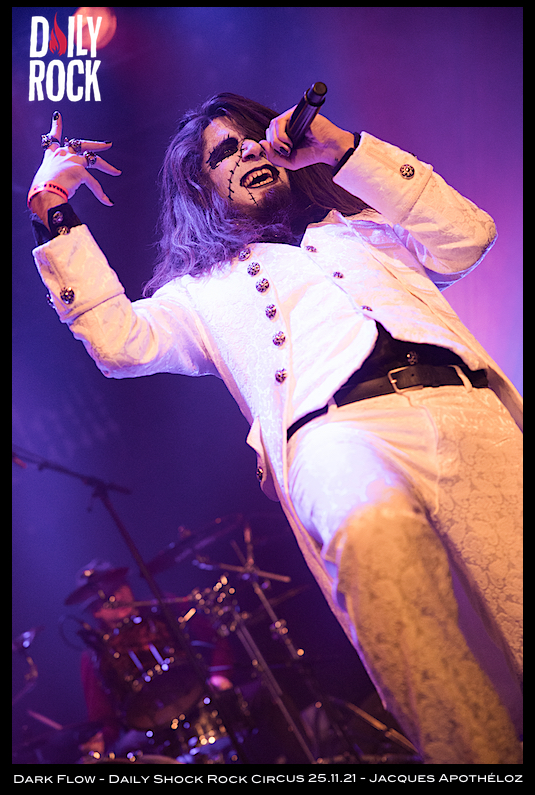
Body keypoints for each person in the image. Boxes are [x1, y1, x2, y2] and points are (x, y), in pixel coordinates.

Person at [28, 93, 522, 764]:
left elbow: (468, 236)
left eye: (255, 137)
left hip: (465, 407)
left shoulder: (364, 226)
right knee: (370, 534)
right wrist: (53, 207)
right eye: (224, 152)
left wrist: (340, 147)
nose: (248, 152)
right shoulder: (201, 291)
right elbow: (119, 342)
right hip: (334, 431)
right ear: (201, 187)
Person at [65, 560, 234, 761]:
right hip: (151, 730)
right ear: (95, 611)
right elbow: (103, 717)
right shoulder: (94, 655)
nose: (117, 598)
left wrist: (220, 676)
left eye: (118, 588)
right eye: (106, 597)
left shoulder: (162, 608)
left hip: (200, 701)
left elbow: (216, 636)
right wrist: (101, 740)